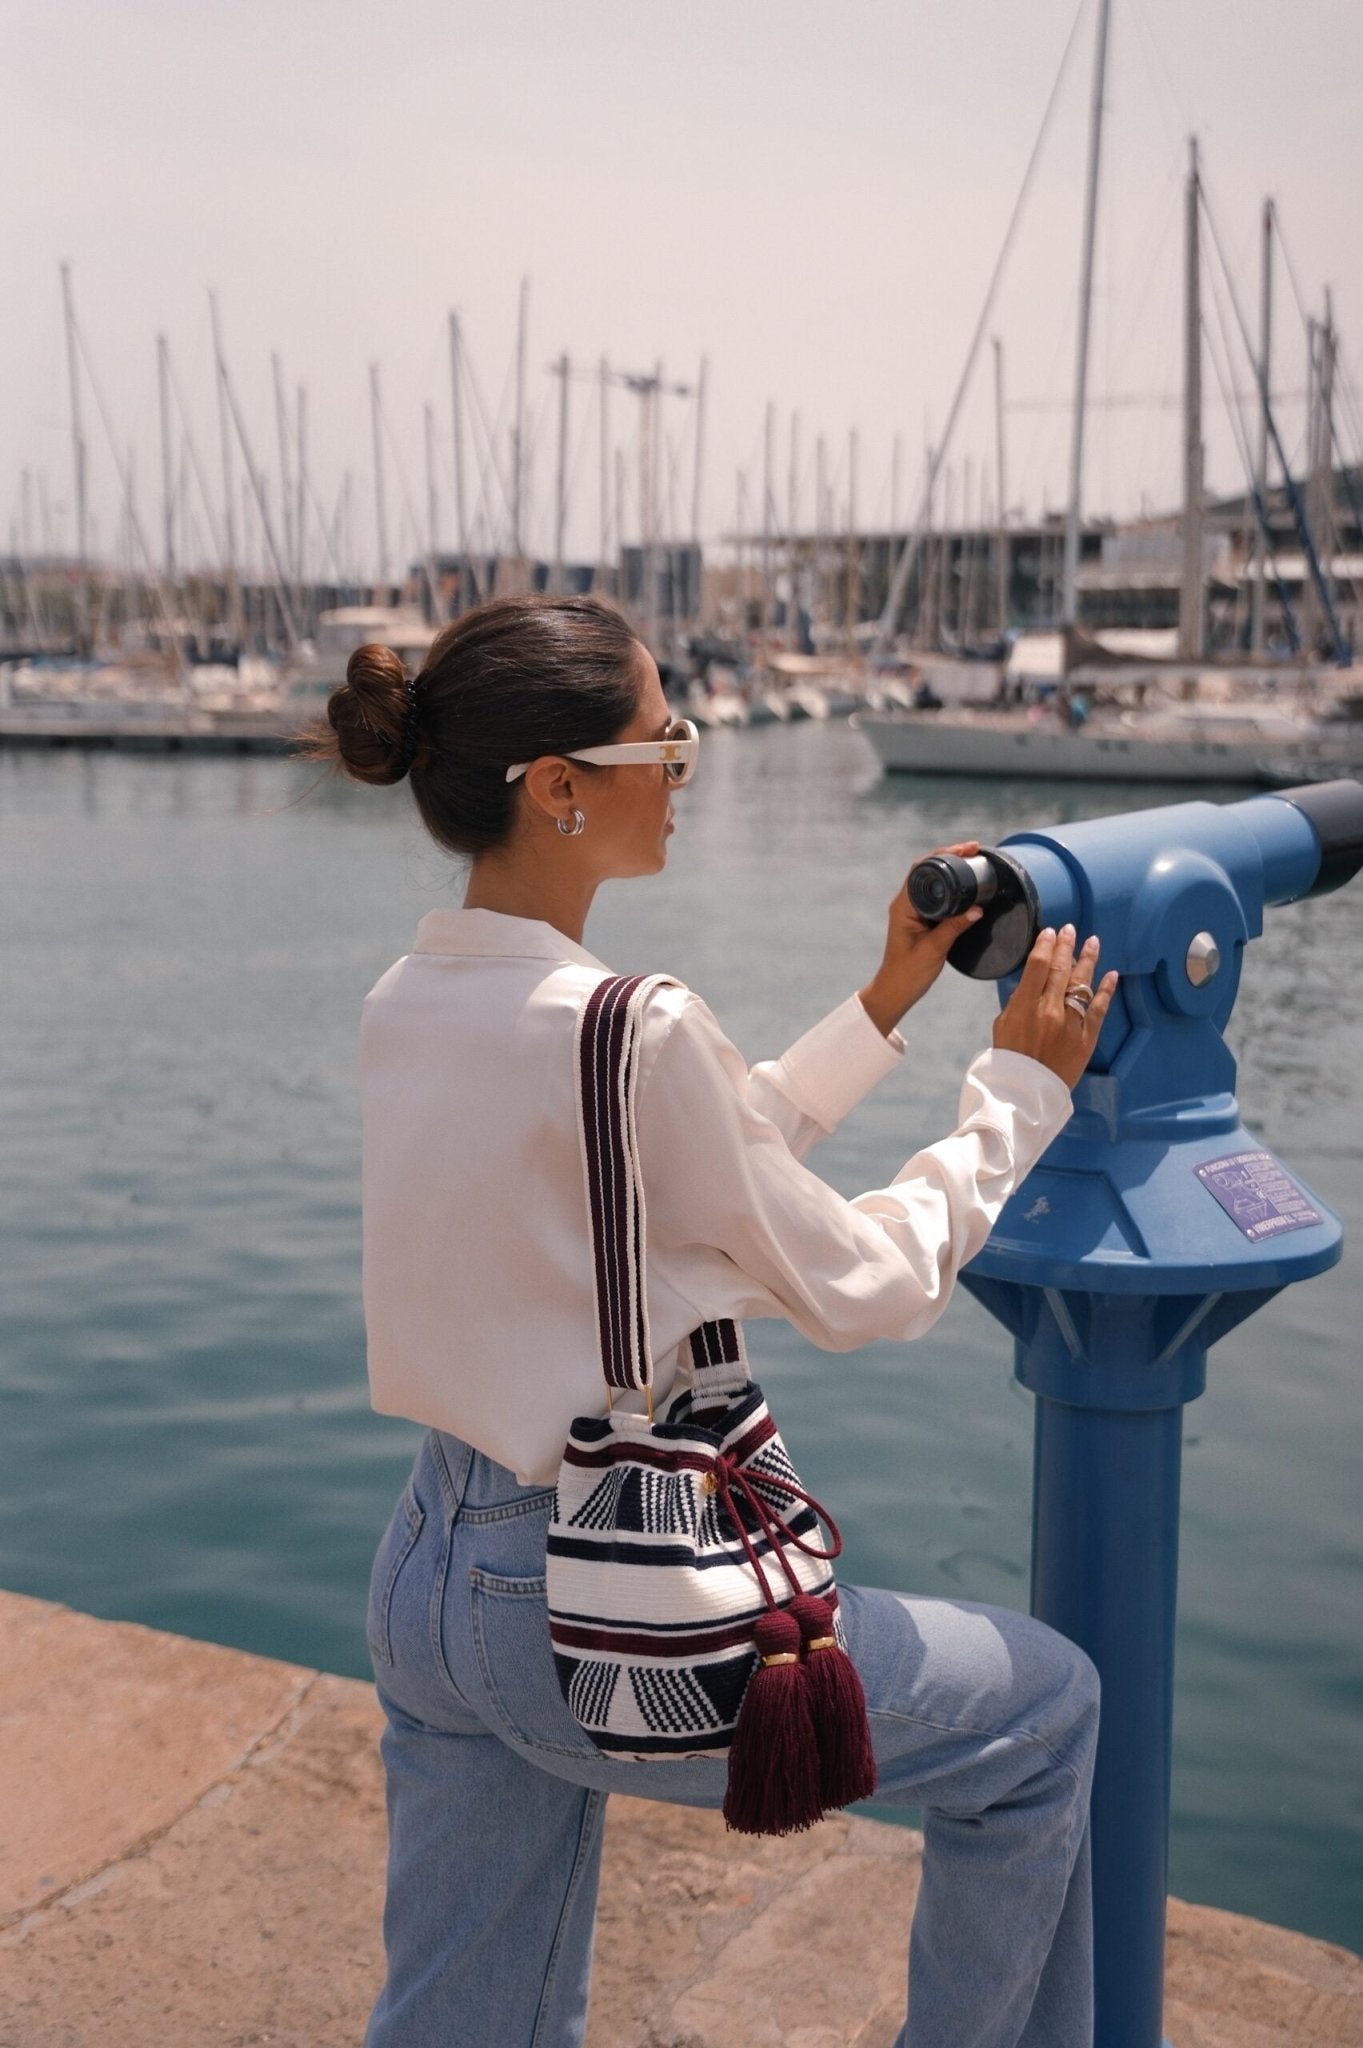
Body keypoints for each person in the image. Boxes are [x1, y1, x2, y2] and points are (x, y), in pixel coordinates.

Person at [311, 594, 1118, 2048]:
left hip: (431, 1571)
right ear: (560, 789)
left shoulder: (408, 997)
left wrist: (881, 1003)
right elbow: (868, 1283)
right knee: (1044, 1717)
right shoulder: (637, 1024)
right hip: (586, 1583)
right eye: (664, 743)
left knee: (464, 2020)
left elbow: (680, 1183)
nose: (687, 767)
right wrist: (1019, 1096)